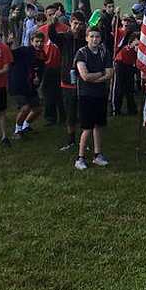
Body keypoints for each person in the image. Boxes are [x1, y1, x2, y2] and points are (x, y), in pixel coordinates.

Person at [73, 24, 113, 171]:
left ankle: (97, 155)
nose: (95, 39)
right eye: (92, 36)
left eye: (97, 37)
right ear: (86, 38)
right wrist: (100, 74)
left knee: (98, 126)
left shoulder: (104, 52)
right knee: (87, 128)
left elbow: (110, 73)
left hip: (100, 94)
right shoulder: (81, 54)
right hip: (86, 95)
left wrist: (95, 77)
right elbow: (84, 76)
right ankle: (80, 157)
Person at [47, 11, 89, 152]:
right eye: (75, 23)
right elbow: (52, 35)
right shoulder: (64, 38)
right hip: (67, 80)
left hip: (83, 80)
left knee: (84, 112)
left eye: (80, 24)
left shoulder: (85, 39)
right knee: (70, 113)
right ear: (70, 23)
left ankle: (85, 140)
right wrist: (54, 20)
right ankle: (71, 140)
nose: (77, 27)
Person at [9, 31, 46, 140]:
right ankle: (17, 131)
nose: (39, 44)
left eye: (41, 42)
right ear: (31, 42)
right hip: (19, 84)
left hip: (31, 86)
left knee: (38, 108)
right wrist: (8, 44)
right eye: (36, 41)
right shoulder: (23, 51)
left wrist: (38, 79)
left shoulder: (42, 55)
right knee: (25, 108)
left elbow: (40, 71)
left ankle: (26, 126)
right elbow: (10, 55)